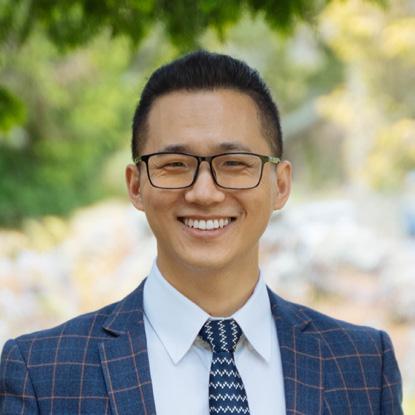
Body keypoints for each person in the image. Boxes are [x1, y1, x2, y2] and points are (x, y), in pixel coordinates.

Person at [0, 51, 403, 414]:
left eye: (234, 163)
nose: (204, 193)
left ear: (280, 185)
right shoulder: (42, 373)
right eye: (175, 165)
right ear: (136, 186)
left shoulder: (364, 365)